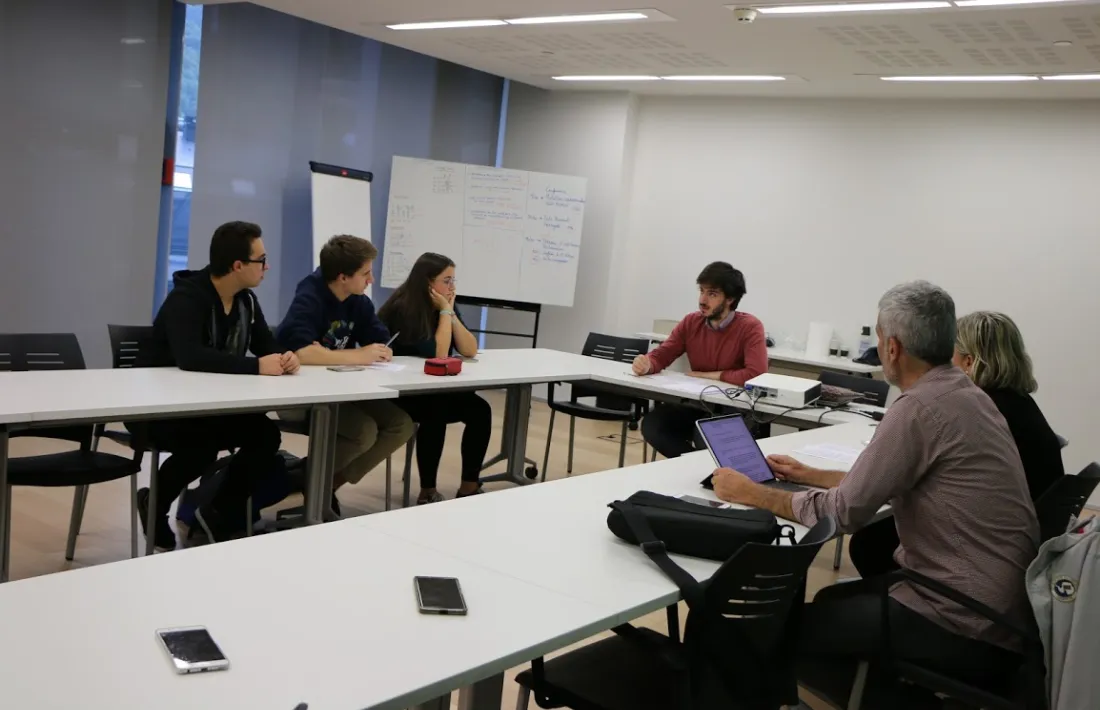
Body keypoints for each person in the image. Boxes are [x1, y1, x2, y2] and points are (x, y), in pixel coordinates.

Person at [711, 281, 1039, 695]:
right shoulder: (965, 393)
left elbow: (845, 513)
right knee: (830, 604)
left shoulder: (918, 408)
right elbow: (885, 481)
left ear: (892, 348)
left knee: (777, 630)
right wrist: (808, 474)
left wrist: (753, 494)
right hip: (1003, 611)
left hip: (964, 620)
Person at [849, 309, 1064, 578]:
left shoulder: (983, 411)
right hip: (1019, 544)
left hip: (983, 554)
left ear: (969, 363)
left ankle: (902, 607)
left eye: (950, 355)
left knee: (868, 540)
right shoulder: (1019, 404)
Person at [136, 221, 297, 549]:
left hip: (210, 407)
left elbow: (268, 345)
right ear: (238, 266)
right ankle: (155, 505)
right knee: (202, 444)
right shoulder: (187, 298)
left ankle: (220, 509)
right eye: (261, 260)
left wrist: (285, 358)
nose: (267, 267)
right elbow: (190, 356)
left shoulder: (246, 302)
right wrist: (256, 366)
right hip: (159, 409)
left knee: (265, 435)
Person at [277, 235, 416, 506]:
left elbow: (378, 337)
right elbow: (302, 352)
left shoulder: (358, 301)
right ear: (343, 277)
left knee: (401, 425)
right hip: (299, 395)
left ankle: (324, 482)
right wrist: (356, 355)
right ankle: (311, 482)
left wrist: (378, 350)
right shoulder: (310, 296)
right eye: (365, 273)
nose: (371, 280)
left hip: (340, 390)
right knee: (363, 431)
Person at [377, 253, 489, 504]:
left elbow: (469, 349)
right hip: (402, 392)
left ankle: (469, 486)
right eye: (446, 281)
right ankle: (427, 490)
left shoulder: (442, 304)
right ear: (428, 282)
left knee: (480, 410)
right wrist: (446, 311)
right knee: (435, 413)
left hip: (434, 387)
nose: (452, 287)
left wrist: (449, 312)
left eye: (454, 280)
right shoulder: (403, 307)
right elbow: (439, 354)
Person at [633, 262, 767, 458]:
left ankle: (709, 473)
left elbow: (756, 374)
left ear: (730, 298)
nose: (702, 300)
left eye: (712, 294)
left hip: (733, 408)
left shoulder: (750, 327)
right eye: (701, 291)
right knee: (653, 424)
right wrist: (647, 364)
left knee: (705, 434)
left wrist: (711, 376)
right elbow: (664, 353)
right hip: (698, 403)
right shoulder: (691, 322)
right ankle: (694, 468)